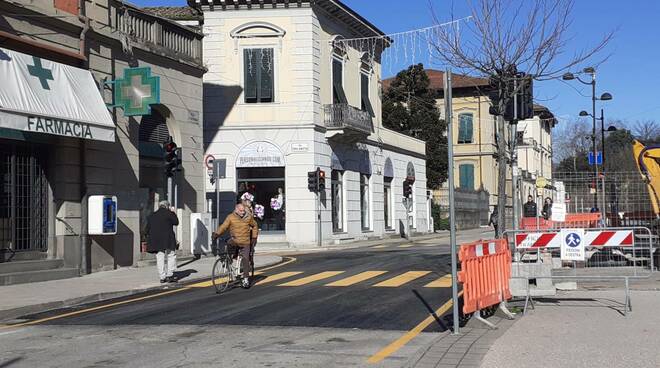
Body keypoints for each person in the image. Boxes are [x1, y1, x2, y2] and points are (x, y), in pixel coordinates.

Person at [212, 203, 259, 288]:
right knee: (228, 244)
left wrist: (254, 237)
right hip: (235, 240)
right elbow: (224, 226)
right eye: (241, 211)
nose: (243, 212)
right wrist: (216, 234)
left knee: (245, 259)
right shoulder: (230, 217)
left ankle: (245, 279)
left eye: (243, 211)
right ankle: (228, 259)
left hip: (245, 242)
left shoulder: (248, 217)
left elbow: (255, 225)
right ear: (236, 210)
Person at [145, 200, 179, 283]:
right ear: (167, 206)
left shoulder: (152, 215)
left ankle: (162, 277)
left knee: (160, 257)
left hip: (157, 240)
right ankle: (169, 275)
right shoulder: (169, 213)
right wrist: (173, 213)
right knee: (171, 255)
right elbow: (176, 222)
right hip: (168, 239)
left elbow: (147, 229)